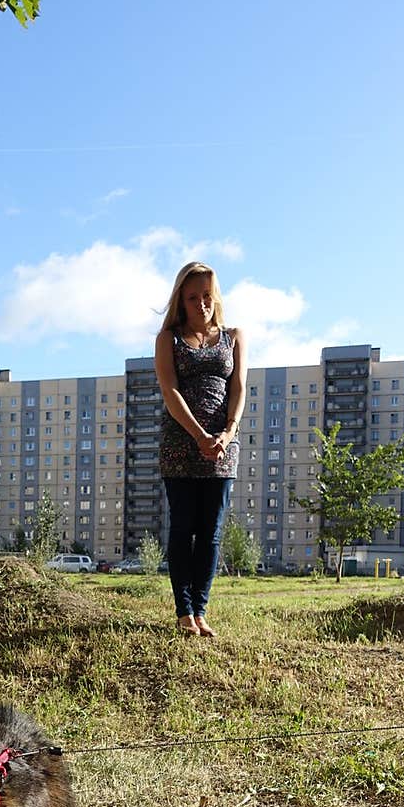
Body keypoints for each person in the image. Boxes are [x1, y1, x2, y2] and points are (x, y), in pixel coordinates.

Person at [154, 261, 247, 637]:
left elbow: (238, 388)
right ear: (181, 299)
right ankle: (184, 612)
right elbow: (170, 391)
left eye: (207, 295)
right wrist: (198, 435)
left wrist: (226, 433)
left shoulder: (234, 336)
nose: (201, 303)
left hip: (223, 449)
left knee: (210, 532)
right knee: (183, 528)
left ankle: (201, 611)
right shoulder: (169, 339)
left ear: (216, 296)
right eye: (193, 297)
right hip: (181, 444)